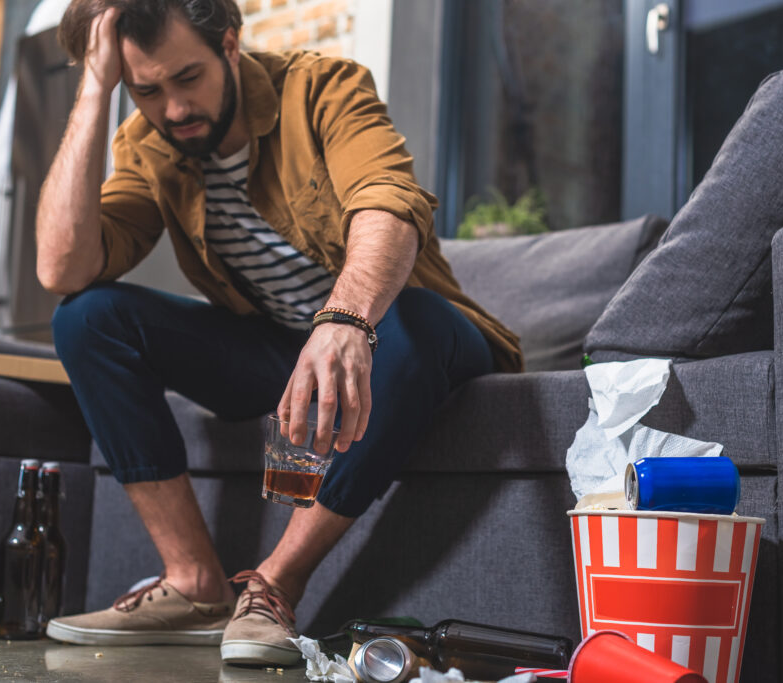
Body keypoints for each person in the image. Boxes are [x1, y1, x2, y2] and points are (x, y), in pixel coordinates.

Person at [36, 0, 522, 666]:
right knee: (87, 318)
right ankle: (195, 583)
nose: (174, 108)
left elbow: (387, 201)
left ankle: (274, 585)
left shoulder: (323, 87)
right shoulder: (146, 146)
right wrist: (93, 92)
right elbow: (63, 266)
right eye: (146, 89)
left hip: (413, 337)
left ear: (230, 46)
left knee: (415, 317)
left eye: (188, 78)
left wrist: (345, 318)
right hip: (278, 353)